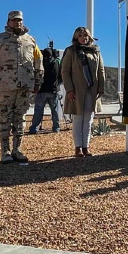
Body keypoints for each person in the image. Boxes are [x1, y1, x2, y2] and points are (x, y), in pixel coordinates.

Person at [0, 10, 43, 164]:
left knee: (20, 119)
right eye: (14, 20)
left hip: (25, 86)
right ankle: (5, 151)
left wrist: (38, 81)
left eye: (20, 20)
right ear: (8, 21)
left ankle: (17, 149)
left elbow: (38, 62)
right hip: (5, 86)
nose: (18, 23)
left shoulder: (30, 40)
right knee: (5, 118)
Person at [61, 26, 105, 157]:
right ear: (76, 37)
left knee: (88, 119)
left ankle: (86, 146)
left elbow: (101, 70)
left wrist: (101, 88)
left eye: (85, 35)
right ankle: (78, 147)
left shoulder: (95, 51)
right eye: (80, 35)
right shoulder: (71, 51)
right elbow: (65, 71)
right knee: (78, 118)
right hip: (76, 90)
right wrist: (69, 89)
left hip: (92, 90)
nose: (83, 38)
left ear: (89, 37)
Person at [29, 43, 63, 134]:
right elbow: (60, 76)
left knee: (38, 111)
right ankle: (56, 127)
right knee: (54, 111)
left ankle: (34, 128)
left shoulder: (40, 63)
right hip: (53, 90)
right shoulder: (56, 63)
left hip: (41, 90)